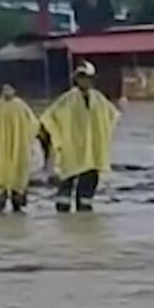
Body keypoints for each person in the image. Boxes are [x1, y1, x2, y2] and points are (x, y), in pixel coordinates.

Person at [39, 61, 120, 213]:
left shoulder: (98, 99)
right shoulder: (67, 99)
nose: (84, 81)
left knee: (89, 184)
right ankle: (63, 209)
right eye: (81, 78)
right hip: (72, 146)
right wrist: (58, 138)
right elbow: (49, 117)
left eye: (87, 78)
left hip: (93, 148)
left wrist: (101, 138)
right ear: (76, 79)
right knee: (67, 178)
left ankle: (85, 208)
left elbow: (111, 116)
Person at [0, 83, 39, 213]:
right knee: (1, 175)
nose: (7, 91)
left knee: (18, 176)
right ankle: (0, 202)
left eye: (10, 88)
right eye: (5, 89)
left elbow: (33, 124)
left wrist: (27, 141)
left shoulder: (21, 106)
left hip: (19, 149)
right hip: (2, 149)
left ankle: (17, 201)